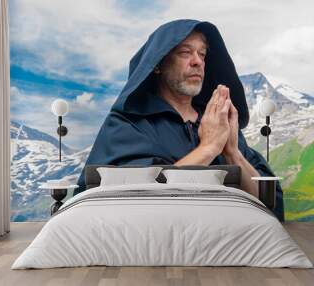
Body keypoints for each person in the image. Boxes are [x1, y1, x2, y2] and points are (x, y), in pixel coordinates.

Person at [75, 19, 284, 221]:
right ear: (158, 65)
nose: (198, 61)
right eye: (185, 52)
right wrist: (209, 148)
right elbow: (135, 204)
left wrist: (233, 153)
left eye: (202, 54)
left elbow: (271, 206)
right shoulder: (128, 124)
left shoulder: (218, 122)